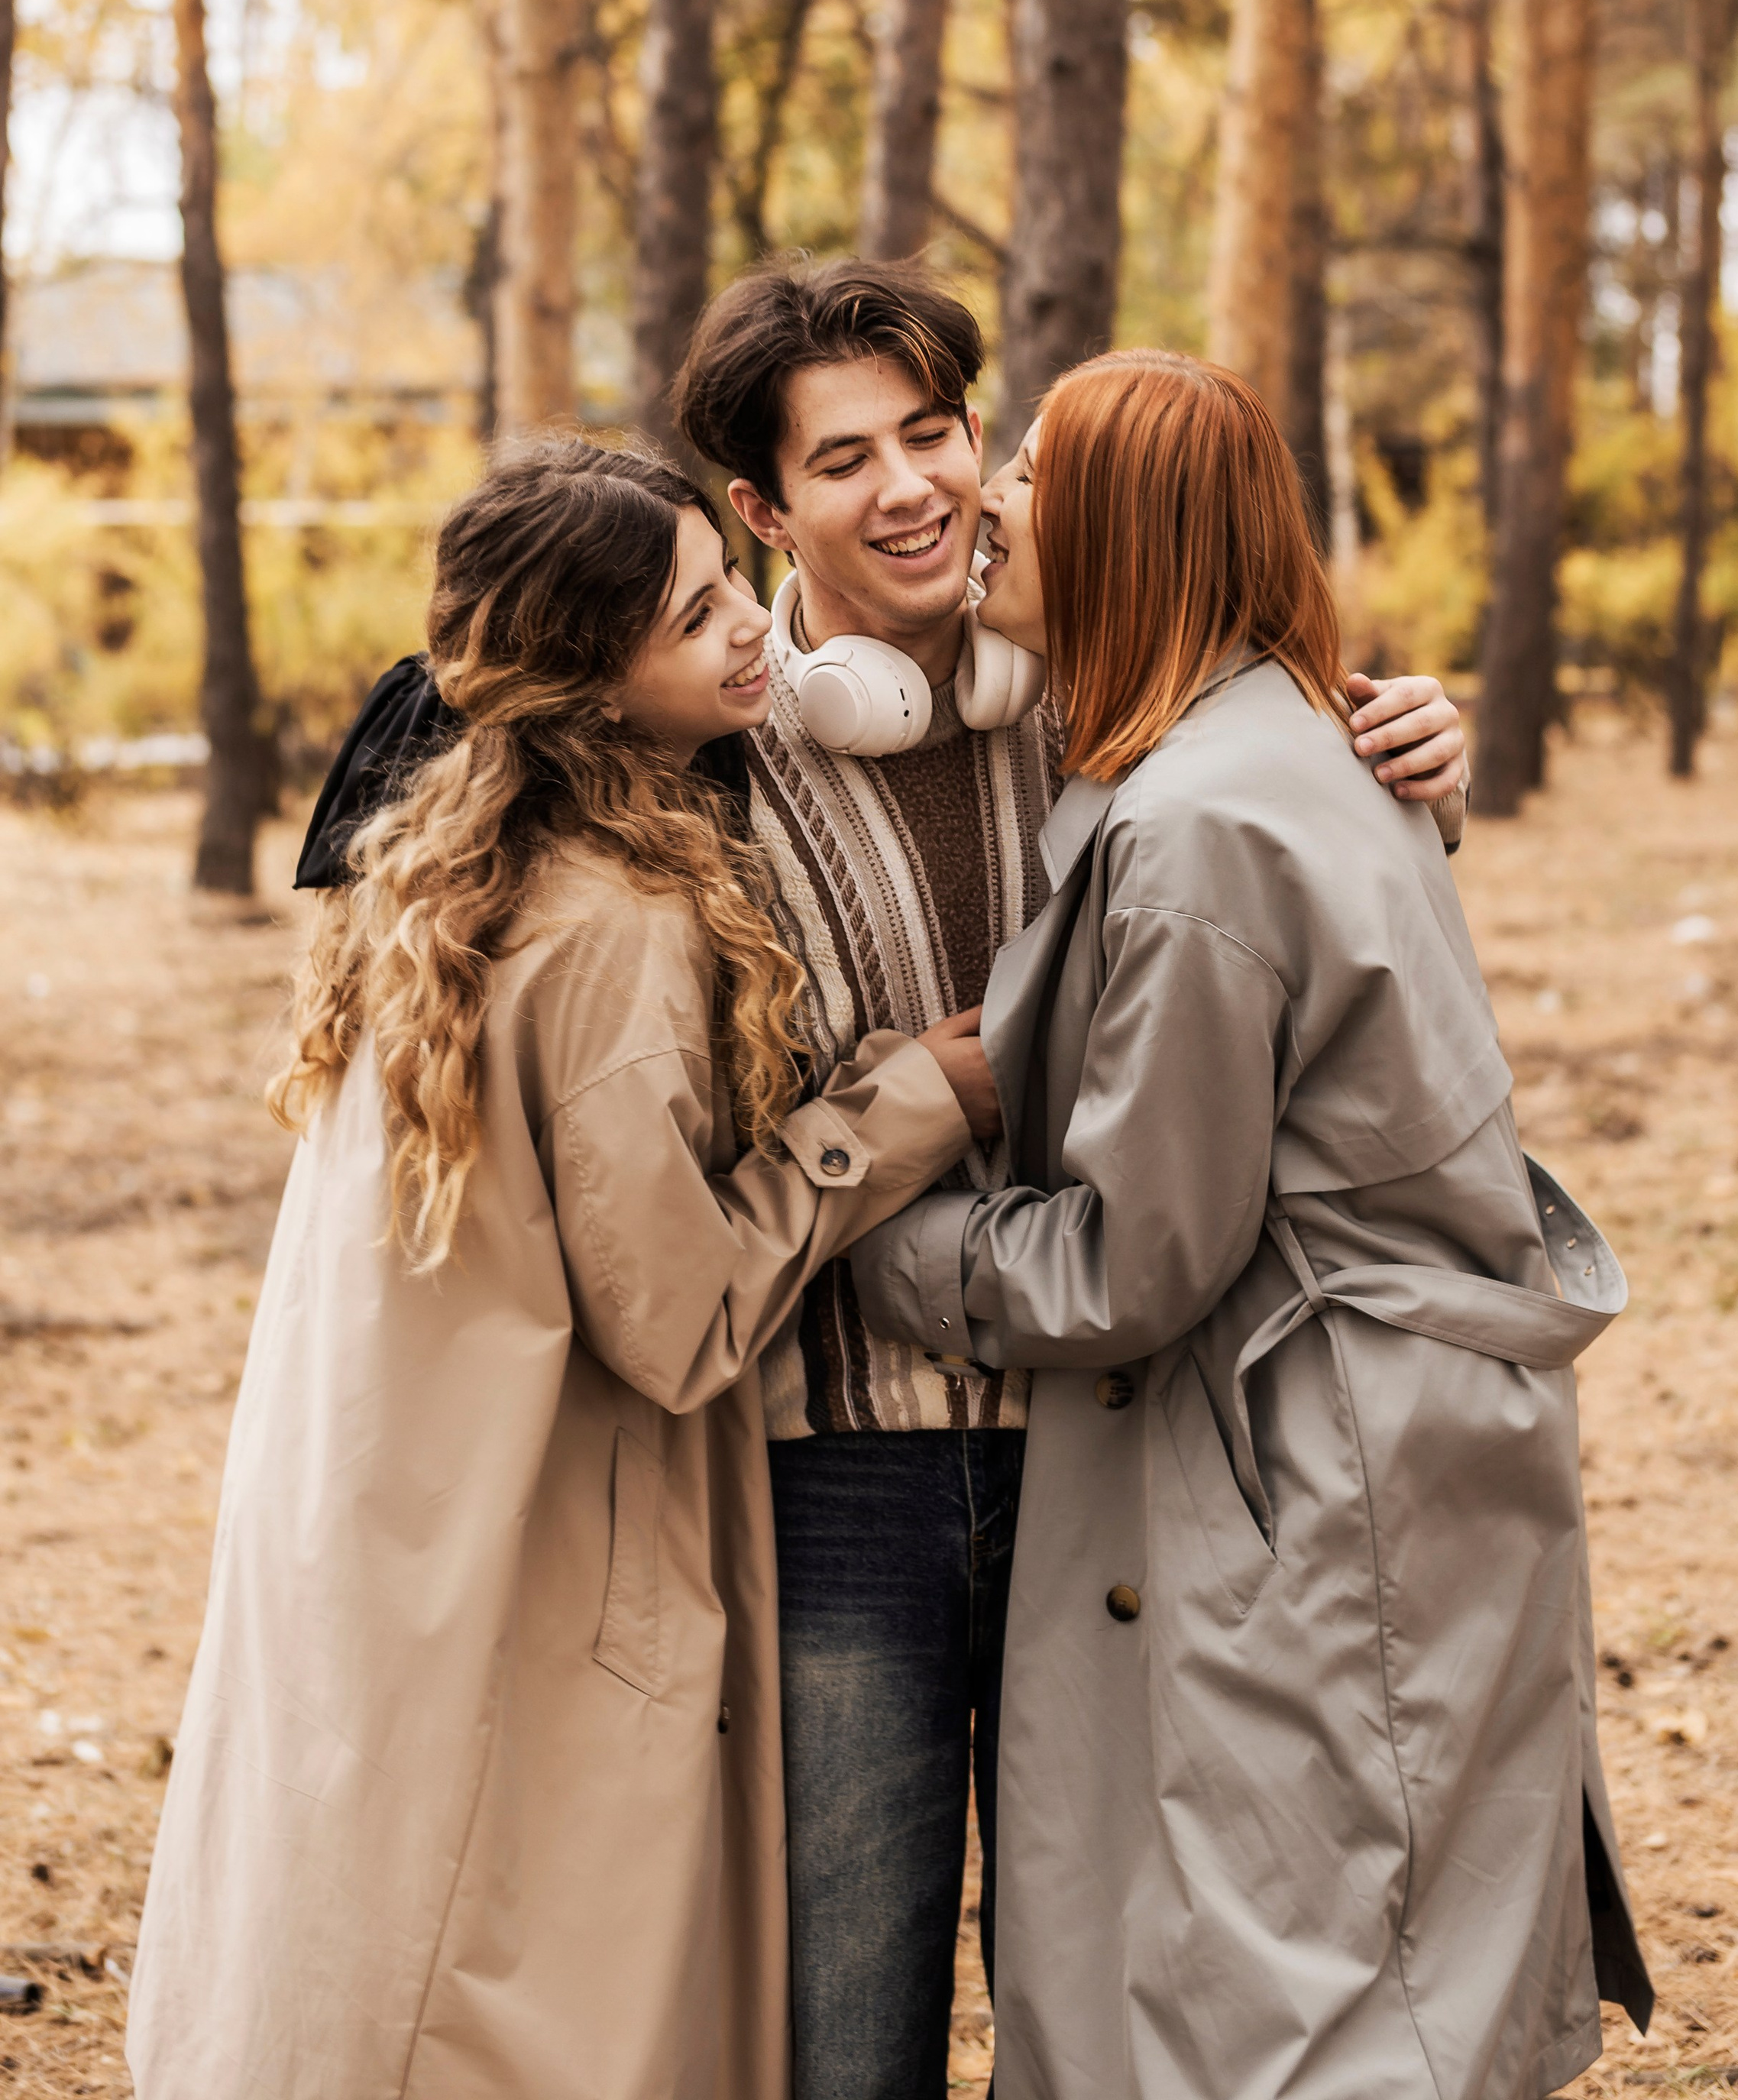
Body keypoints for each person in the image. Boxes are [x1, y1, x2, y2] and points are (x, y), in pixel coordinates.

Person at [287, 259, 1474, 2100]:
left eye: (936, 432)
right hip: (832, 1477)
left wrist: (1408, 764)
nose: (911, 487)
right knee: (848, 2019)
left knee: (1125, 1989)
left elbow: (1281, 932)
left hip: (1121, 1441)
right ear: (759, 512)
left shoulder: (1116, 689)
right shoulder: (686, 747)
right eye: (843, 462)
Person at [126, 438, 994, 2100]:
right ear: (592, 683)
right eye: (694, 618)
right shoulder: (609, 923)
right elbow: (675, 1323)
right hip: (539, 1550)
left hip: (403, 1528)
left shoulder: (439, 864)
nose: (749, 630)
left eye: (730, 586)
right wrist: (908, 1105)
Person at [850, 348, 1651, 2100]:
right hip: (1370, 1443)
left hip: (1298, 1464)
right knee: (1360, 1937)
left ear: (1128, 526)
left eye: (1034, 471)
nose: (987, 498)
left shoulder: (1201, 823)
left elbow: (1136, 1259)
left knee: (1288, 1990)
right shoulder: (1282, 742)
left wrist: (867, 1242)